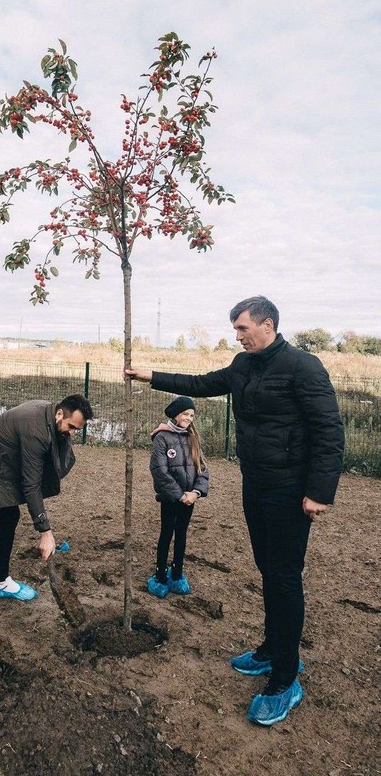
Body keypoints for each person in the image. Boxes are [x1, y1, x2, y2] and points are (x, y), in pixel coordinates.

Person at [126, 296, 344, 726]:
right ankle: (271, 650)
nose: (238, 336)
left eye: (242, 329)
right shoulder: (243, 366)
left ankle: (286, 678)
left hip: (290, 490)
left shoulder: (303, 366)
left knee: (283, 576)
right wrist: (150, 375)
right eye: (236, 330)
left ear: (267, 325)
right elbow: (205, 382)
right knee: (268, 570)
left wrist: (319, 492)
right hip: (256, 485)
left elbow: (329, 430)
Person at [0, 394, 94, 636]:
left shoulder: (50, 417)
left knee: (10, 516)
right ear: (60, 414)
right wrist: (45, 532)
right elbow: (30, 484)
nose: (72, 433)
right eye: (71, 427)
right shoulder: (35, 429)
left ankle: (0, 581)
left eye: (78, 429)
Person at [148, 396, 209, 599]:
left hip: (189, 498)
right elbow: (159, 470)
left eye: (192, 415)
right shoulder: (162, 438)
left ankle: (177, 572)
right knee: (167, 532)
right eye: (186, 414)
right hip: (171, 498)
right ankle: (160, 575)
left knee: (181, 533)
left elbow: (202, 467)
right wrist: (179, 494)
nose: (189, 418)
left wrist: (195, 492)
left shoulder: (193, 438)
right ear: (176, 414)